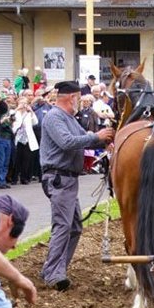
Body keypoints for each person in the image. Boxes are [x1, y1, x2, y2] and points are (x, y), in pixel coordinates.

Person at [39, 80, 114, 290]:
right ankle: (53, 273)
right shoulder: (54, 117)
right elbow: (67, 142)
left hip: (68, 179)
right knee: (63, 225)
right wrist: (96, 136)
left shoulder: (69, 118)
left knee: (74, 226)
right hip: (59, 178)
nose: (80, 103)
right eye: (78, 99)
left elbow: (84, 138)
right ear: (71, 98)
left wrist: (104, 141)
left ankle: (54, 268)